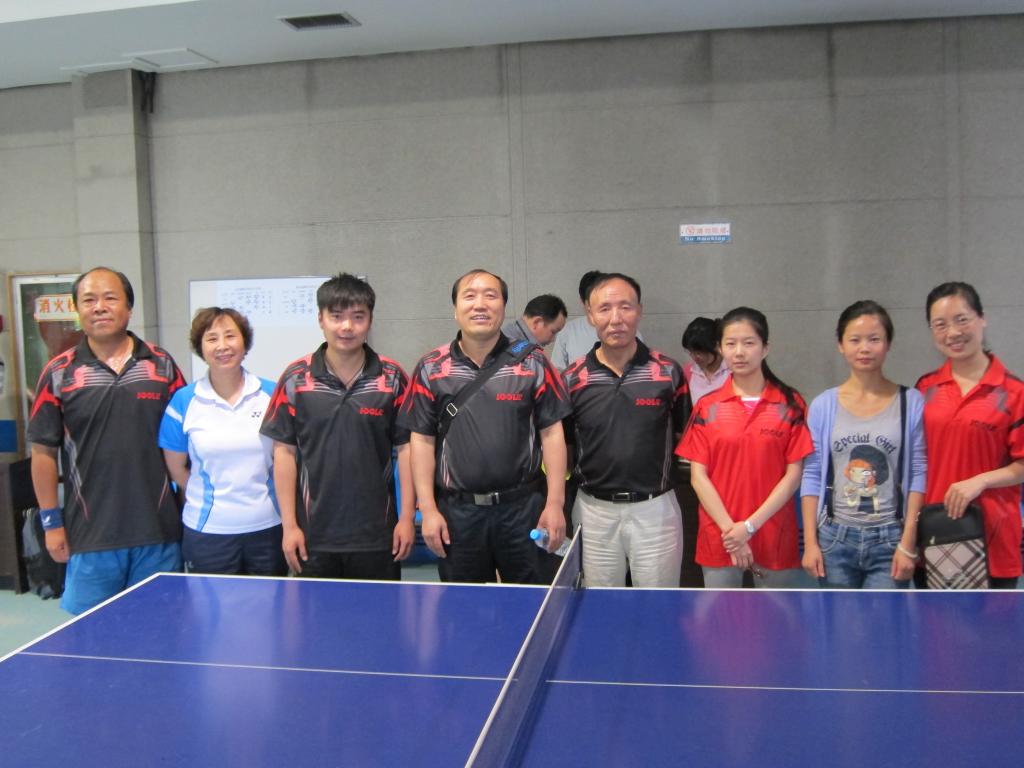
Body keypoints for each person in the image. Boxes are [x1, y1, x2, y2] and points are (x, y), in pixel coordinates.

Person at [27, 267, 185, 614]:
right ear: (77, 310)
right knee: (91, 637)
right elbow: (42, 452)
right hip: (90, 536)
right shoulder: (59, 372)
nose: (99, 307)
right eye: (89, 300)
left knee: (160, 631)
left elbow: (184, 444)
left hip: (158, 531)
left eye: (110, 298)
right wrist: (51, 523)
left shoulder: (162, 365)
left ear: (129, 308)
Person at [398, 268, 570, 584]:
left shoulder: (532, 362)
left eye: (490, 296)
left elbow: (552, 434)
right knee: (464, 606)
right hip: (458, 515)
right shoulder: (431, 367)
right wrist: (428, 510)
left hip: (524, 511)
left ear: (503, 307)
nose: (480, 304)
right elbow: (421, 441)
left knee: (530, 601)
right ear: (455, 309)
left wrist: (555, 503)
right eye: (469, 296)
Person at [260, 274, 415, 580]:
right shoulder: (295, 378)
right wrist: (289, 526)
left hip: (377, 534)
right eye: (336, 316)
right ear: (321, 319)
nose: (347, 327)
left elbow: (407, 450)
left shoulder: (392, 377)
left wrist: (407, 518)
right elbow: (284, 454)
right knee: (316, 613)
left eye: (358, 317)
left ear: (370, 320)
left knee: (381, 611)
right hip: (312, 535)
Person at [562, 273, 689, 586]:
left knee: (658, 604)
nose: (616, 318)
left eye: (625, 307)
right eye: (604, 309)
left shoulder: (667, 372)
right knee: (600, 605)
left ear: (639, 311)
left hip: (655, 510)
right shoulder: (572, 378)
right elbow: (564, 445)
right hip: (594, 512)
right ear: (590, 315)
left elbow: (684, 436)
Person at [676, 306, 812, 588]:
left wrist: (749, 527)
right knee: (721, 614)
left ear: (765, 348)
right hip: (720, 535)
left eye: (749, 343)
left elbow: (794, 475)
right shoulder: (707, 407)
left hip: (774, 533)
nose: (739, 352)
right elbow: (698, 477)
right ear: (721, 348)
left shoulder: (790, 403)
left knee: (776, 615)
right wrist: (732, 533)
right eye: (730, 344)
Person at [800, 301, 926, 589]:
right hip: (834, 539)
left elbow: (919, 471)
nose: (864, 348)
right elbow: (812, 473)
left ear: (888, 344)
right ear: (841, 345)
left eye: (874, 339)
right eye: (855, 340)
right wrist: (810, 543)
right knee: (837, 618)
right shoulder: (823, 405)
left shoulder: (911, 402)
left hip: (891, 539)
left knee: (884, 617)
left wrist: (908, 542)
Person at [158, 307, 285, 576]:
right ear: (201, 348)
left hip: (269, 529)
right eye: (212, 338)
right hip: (208, 532)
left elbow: (286, 460)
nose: (222, 346)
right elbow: (177, 469)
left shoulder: (272, 394)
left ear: (245, 343)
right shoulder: (184, 401)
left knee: (270, 603)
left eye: (230, 336)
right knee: (210, 604)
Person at [916, 281, 1024, 589]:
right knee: (933, 622)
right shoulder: (925, 389)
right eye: (940, 324)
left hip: (993, 541)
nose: (952, 332)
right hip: (936, 536)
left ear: (982, 318)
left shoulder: (1014, 392)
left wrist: (981, 481)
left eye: (961, 319)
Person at [550, 270, 604, 370]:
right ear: (582, 302)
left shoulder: (626, 331)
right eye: (593, 302)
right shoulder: (568, 330)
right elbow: (557, 370)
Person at [681, 317, 730, 405]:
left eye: (699, 352)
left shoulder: (733, 370)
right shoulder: (688, 372)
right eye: (690, 351)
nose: (694, 356)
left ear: (717, 345)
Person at [502, 293, 568, 348]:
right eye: (553, 332)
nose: (553, 339)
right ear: (537, 322)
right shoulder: (510, 347)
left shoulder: (507, 336)